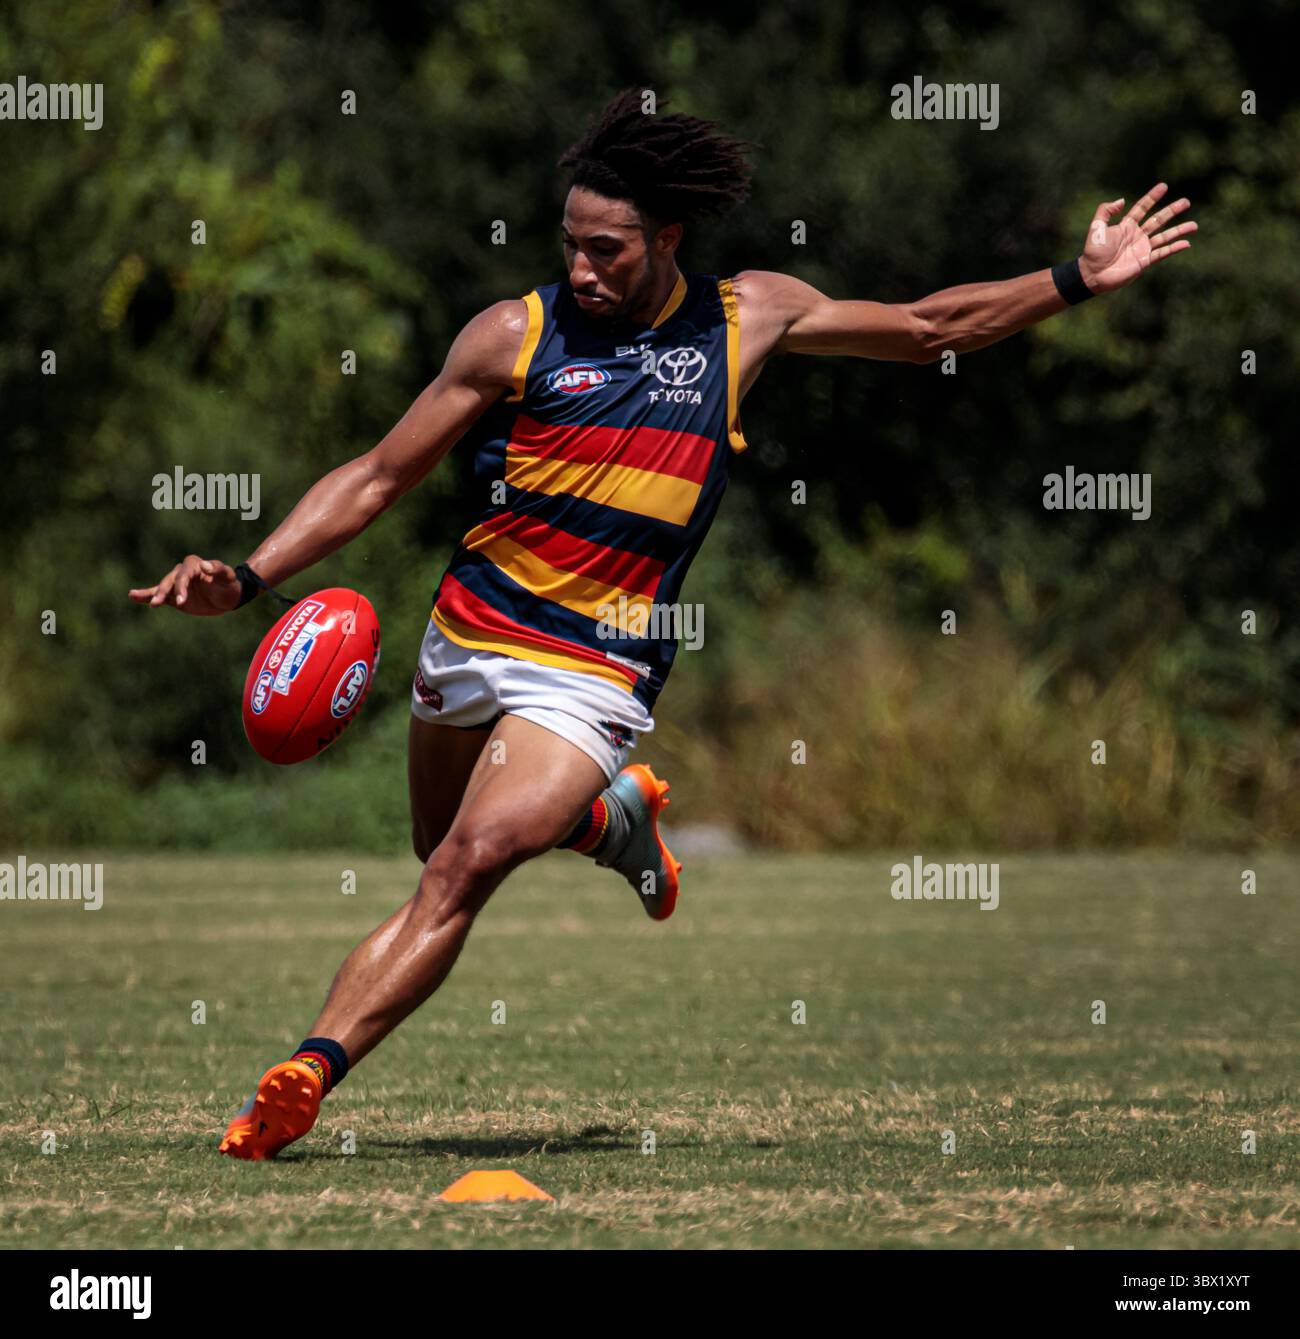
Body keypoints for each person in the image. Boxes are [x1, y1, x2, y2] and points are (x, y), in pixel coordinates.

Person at [129, 88, 1195, 1160]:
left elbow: (926, 329)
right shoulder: (516, 331)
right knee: (433, 841)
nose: (583, 270)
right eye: (571, 246)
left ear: (667, 238)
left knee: (466, 863)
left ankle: (305, 1074)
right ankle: (612, 823)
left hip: (594, 664)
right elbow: (374, 477)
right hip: (471, 628)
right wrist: (248, 570)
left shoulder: (750, 316)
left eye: (607, 250)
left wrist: (1074, 279)